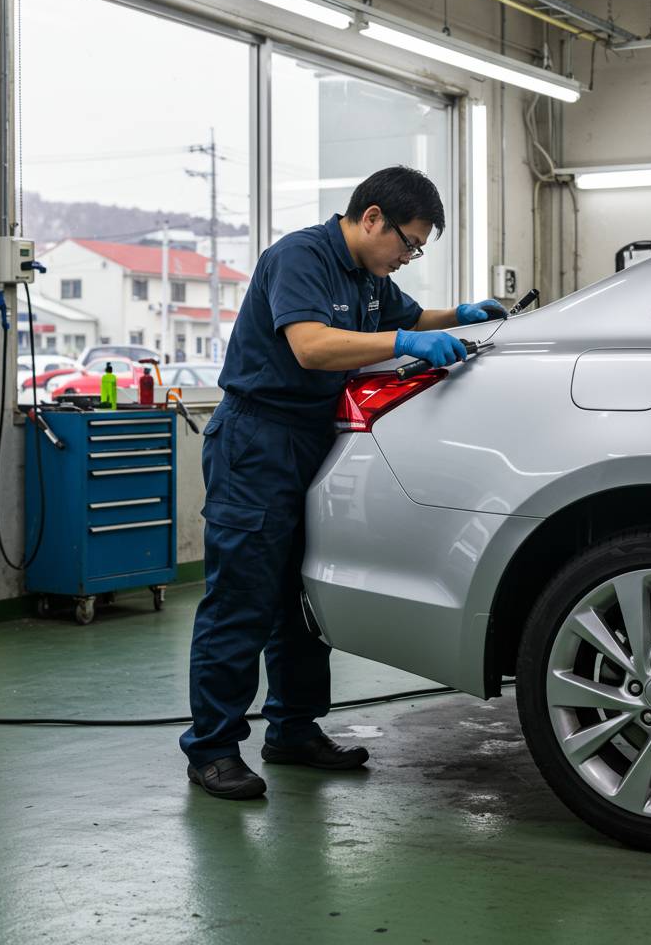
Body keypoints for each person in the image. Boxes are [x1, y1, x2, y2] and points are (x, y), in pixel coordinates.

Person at [179, 166, 507, 799]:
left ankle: (293, 731)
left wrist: (462, 315)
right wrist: (410, 339)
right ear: (373, 217)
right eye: (407, 242)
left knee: (303, 600)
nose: (409, 257)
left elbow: (413, 315)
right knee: (243, 598)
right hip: (257, 439)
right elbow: (312, 346)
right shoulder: (300, 257)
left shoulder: (371, 276)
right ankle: (213, 749)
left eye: (419, 249)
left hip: (314, 440)